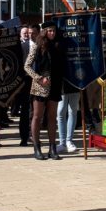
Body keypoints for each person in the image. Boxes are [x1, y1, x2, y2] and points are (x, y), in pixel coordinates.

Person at [24, 22, 63, 160]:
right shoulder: (37, 46)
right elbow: (27, 66)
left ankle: (52, 147)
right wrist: (39, 78)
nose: (52, 33)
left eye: (54, 31)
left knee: (52, 117)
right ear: (44, 31)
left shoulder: (58, 46)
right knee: (37, 116)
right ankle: (36, 146)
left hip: (55, 85)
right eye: (49, 31)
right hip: (40, 86)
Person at [14, 25, 34, 146]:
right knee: (26, 110)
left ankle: (33, 134)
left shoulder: (40, 45)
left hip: (38, 81)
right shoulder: (21, 46)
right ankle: (25, 136)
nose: (28, 35)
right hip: (25, 81)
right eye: (26, 33)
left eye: (30, 32)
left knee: (35, 110)